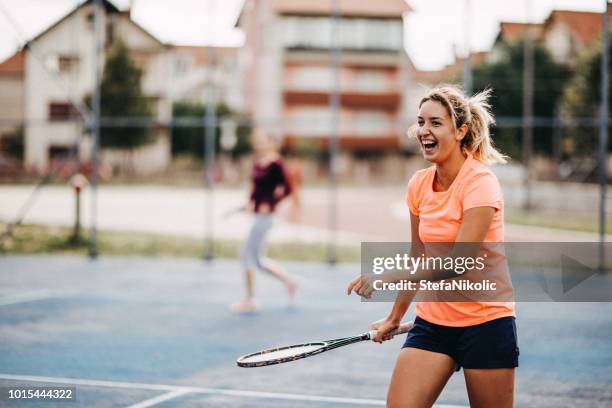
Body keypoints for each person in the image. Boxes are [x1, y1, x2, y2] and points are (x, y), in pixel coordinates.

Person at [347, 85, 518, 407]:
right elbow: (419, 256)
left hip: (487, 323)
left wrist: (383, 278)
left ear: (460, 131)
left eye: (435, 123)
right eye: (421, 122)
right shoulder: (419, 183)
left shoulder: (480, 183)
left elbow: (458, 264)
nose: (424, 130)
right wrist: (394, 317)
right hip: (432, 325)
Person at [231, 129, 298, 313]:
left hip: (266, 216)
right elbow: (255, 189)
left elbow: (288, 188)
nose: (260, 144)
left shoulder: (276, 163)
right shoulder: (258, 162)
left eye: (264, 141)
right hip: (257, 215)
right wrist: (249, 203)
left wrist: (270, 204)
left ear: (273, 143)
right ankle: (290, 281)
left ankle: (250, 299)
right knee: (257, 261)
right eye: (258, 141)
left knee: (246, 255)